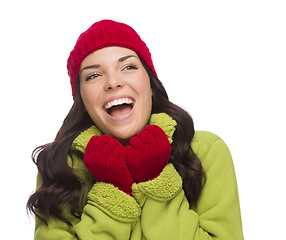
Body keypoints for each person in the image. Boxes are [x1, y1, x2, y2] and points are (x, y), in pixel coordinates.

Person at [27, 19, 244, 239]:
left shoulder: (205, 151)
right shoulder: (61, 167)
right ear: (82, 100)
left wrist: (156, 180)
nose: (113, 82)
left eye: (128, 66)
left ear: (150, 84)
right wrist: (113, 191)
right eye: (93, 75)